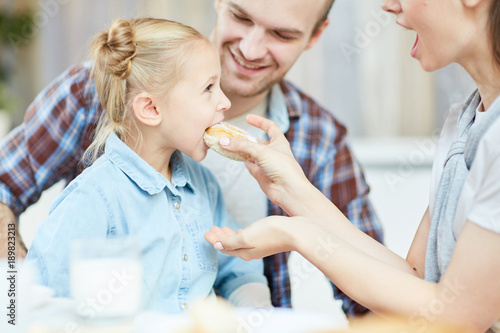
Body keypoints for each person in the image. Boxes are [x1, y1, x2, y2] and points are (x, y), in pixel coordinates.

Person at [0, 0, 383, 315]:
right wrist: (20, 294)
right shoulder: (95, 103)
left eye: (281, 34)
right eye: (241, 16)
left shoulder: (316, 140)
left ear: (316, 35)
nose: (249, 49)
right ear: (147, 108)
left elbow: (373, 292)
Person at [205, 0, 500, 331]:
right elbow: (415, 281)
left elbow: (459, 315)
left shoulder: (322, 136)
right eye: (242, 17)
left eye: (282, 34)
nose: (388, 6)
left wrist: (296, 231)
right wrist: (293, 191)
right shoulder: (463, 122)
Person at [22, 18, 272, 313]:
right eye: (208, 88)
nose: (225, 102)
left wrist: (258, 315)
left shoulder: (203, 186)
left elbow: (239, 271)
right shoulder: (93, 199)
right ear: (151, 109)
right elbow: (40, 301)